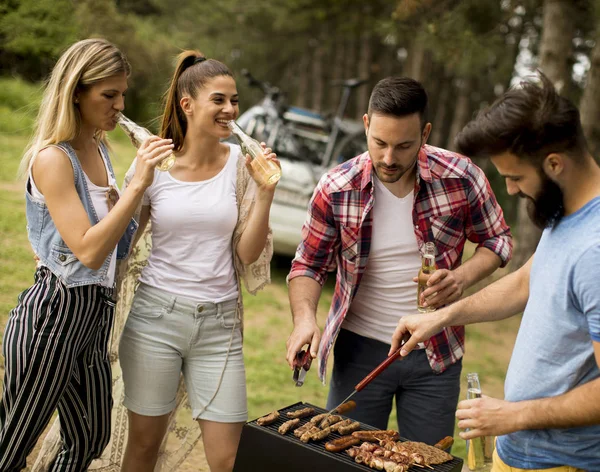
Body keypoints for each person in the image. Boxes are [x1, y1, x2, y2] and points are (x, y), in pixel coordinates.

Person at [286, 76, 512, 445]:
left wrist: (463, 276)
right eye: (379, 143)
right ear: (365, 125)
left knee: (427, 462)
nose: (389, 158)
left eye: (404, 146)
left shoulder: (461, 176)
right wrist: (305, 320)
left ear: (425, 132)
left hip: (436, 351)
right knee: (347, 460)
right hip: (358, 349)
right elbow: (308, 264)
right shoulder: (336, 187)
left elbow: (498, 239)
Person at [390, 73, 600, 471]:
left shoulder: (595, 247)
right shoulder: (567, 215)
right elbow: (524, 282)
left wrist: (512, 416)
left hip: (562, 463)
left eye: (516, 177)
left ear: (554, 164)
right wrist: (441, 317)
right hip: (517, 453)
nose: (513, 189)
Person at [0, 38, 173, 471]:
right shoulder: (53, 159)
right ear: (77, 90)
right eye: (108, 94)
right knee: (10, 445)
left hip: (95, 315)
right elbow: (90, 251)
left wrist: (144, 201)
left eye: (123, 94)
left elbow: (115, 246)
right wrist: (138, 184)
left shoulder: (100, 150)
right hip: (54, 314)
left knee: (90, 436)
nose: (120, 105)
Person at [117, 50, 277, 472]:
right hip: (155, 320)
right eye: (219, 100)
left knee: (229, 458)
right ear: (187, 105)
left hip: (219, 328)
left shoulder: (241, 168)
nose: (231, 110)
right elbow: (118, 239)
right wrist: (137, 181)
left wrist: (265, 194)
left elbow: (246, 254)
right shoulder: (155, 163)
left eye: (235, 101)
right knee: (145, 445)